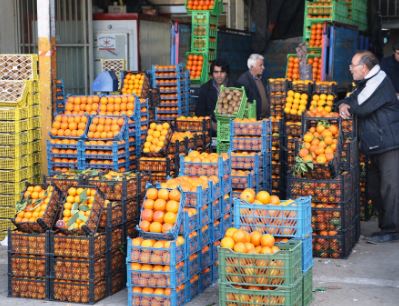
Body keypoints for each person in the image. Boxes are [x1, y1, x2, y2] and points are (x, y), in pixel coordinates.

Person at [337, 50, 399, 243]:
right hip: (376, 144)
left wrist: (347, 105)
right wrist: (343, 104)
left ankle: (392, 229)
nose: (350, 70)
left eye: (352, 66)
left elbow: (360, 105)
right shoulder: (366, 82)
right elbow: (351, 98)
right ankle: (385, 227)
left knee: (390, 188)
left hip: (389, 144)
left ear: (363, 68)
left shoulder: (378, 80)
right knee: (374, 189)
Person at [195, 59, 230, 135]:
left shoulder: (234, 88)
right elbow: (199, 112)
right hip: (211, 133)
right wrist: (211, 123)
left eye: (222, 72)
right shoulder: (205, 89)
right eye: (216, 72)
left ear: (226, 73)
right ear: (212, 74)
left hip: (231, 130)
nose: (219, 75)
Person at [236, 53, 269, 119]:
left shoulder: (261, 78)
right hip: (252, 121)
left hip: (263, 119)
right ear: (251, 67)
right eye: (261, 65)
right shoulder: (243, 81)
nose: (263, 67)